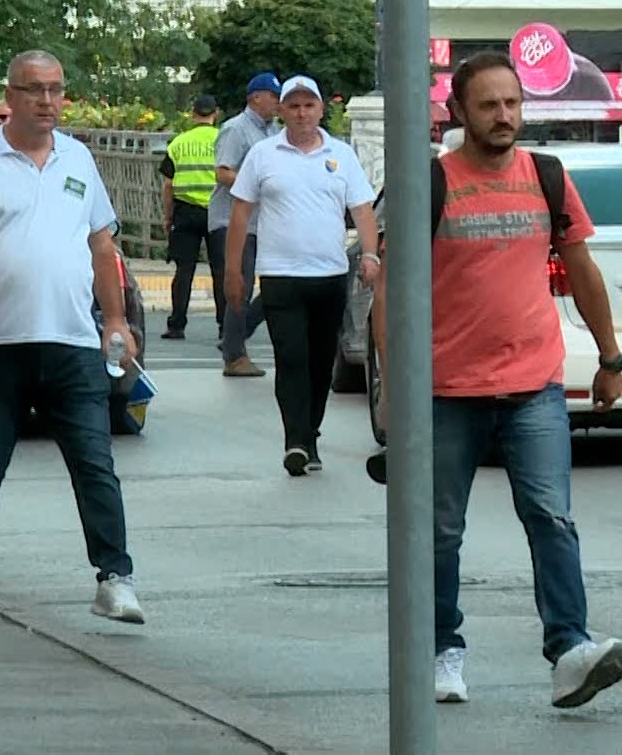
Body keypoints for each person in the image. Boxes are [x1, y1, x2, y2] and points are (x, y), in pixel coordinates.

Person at [371, 50, 622, 708]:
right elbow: (389, 296)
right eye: (489, 105)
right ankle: (439, 650)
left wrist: (610, 356)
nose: (504, 115)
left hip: (534, 383)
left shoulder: (545, 175)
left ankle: (570, 649)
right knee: (439, 530)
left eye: (512, 103)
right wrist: (393, 396)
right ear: (459, 111)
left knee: (551, 516)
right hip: (446, 390)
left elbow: (582, 267)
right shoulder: (428, 183)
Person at [0, 49, 144, 625]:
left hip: (74, 341)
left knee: (94, 462)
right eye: (34, 90)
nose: (47, 101)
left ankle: (115, 577)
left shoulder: (79, 159)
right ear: (11, 95)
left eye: (55, 90)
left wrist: (116, 320)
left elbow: (102, 246)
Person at [224, 76, 378, 477]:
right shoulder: (263, 154)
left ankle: (310, 433)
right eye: (293, 106)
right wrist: (232, 271)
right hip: (280, 275)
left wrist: (371, 255)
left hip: (329, 275)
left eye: (309, 105)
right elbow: (240, 212)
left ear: (322, 110)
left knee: (320, 362)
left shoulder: (341, 155)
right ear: (282, 111)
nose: (302, 113)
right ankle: (295, 440)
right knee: (291, 358)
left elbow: (362, 209)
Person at [213, 72, 284, 377]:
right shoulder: (236, 129)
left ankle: (234, 336)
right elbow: (222, 172)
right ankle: (234, 356)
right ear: (256, 97)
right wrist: (255, 183)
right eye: (274, 96)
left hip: (263, 223)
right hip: (232, 221)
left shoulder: (275, 132)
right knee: (239, 287)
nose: (278, 103)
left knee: (275, 287)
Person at [157, 95, 222, 341]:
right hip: (217, 211)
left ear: (193, 114)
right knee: (221, 271)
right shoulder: (222, 141)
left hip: (185, 212)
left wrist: (168, 216)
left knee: (183, 271)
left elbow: (168, 185)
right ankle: (225, 326)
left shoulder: (179, 144)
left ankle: (176, 325)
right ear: (215, 113)